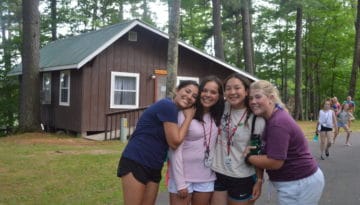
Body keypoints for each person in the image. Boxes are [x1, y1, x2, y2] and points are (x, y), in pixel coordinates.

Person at [117, 80, 199, 205]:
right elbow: (175, 142)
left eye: (194, 96)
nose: (189, 97)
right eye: (187, 91)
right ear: (177, 90)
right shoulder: (167, 105)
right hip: (136, 161)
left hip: (154, 166)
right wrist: (189, 118)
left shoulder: (176, 113)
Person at [244, 80, 325, 205]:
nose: (253, 102)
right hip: (295, 182)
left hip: (299, 183)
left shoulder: (278, 123)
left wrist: (249, 157)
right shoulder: (273, 117)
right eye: (250, 98)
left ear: (271, 98)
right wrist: (259, 179)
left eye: (258, 97)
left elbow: (275, 162)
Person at [167, 76, 225, 205]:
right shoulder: (185, 114)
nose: (208, 95)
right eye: (204, 90)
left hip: (206, 177)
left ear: (219, 96)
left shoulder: (218, 115)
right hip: (183, 177)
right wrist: (180, 183)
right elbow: (174, 150)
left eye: (213, 92)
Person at [210, 73, 265, 205]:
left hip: (242, 176)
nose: (232, 92)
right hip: (217, 171)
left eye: (237, 88)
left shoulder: (256, 117)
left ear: (246, 91)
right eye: (228, 88)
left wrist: (259, 180)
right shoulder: (221, 107)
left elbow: (258, 153)